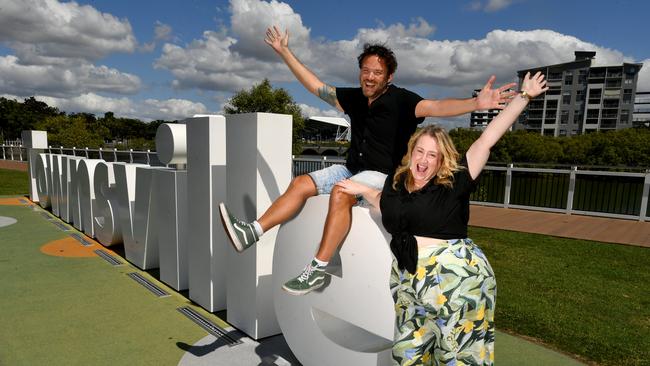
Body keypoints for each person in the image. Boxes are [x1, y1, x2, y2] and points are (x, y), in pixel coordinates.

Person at [219, 25, 516, 295]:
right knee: (300, 183)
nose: (370, 76)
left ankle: (318, 269)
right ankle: (252, 232)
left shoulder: (402, 101)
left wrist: (475, 104)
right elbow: (315, 86)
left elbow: (438, 105)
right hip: (351, 168)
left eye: (377, 72)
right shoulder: (356, 99)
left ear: (389, 77)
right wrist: (284, 51)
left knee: (342, 191)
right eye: (365, 70)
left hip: (383, 177)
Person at [335, 71, 548, 365]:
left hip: (457, 280)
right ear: (411, 153)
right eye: (419, 152)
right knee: (407, 354)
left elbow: (487, 139)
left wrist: (524, 97)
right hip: (410, 279)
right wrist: (362, 189)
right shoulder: (396, 184)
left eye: (432, 155)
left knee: (457, 358)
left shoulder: (454, 182)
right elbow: (388, 207)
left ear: (441, 159)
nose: (423, 161)